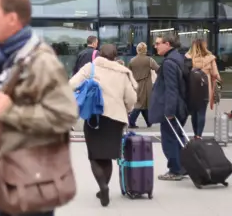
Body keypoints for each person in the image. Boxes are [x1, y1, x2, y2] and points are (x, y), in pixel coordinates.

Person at [0, 0, 78, 216]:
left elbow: (65, 115)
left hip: (29, 184)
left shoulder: (42, 62)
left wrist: (13, 112)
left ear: (11, 19)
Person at [70, 43, 137, 207]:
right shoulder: (122, 72)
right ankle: (104, 187)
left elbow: (71, 84)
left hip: (94, 117)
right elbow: (132, 99)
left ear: (99, 54)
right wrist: (126, 109)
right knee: (108, 155)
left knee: (95, 155)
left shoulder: (90, 68)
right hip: (115, 119)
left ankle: (103, 187)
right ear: (115, 56)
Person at [148, 34, 188, 181]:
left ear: (168, 44)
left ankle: (175, 170)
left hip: (173, 108)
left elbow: (172, 89)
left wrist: (170, 111)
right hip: (180, 106)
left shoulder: (169, 63)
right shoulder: (178, 58)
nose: (155, 46)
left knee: (169, 140)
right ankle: (183, 167)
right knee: (177, 139)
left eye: (158, 43)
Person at [184, 39, 220, 139]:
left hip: (192, 88)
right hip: (205, 88)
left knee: (194, 113)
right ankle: (199, 135)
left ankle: (195, 133)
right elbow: (216, 74)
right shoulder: (210, 58)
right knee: (201, 112)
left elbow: (185, 73)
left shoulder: (188, 57)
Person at [127, 42, 159, 129]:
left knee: (140, 102)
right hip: (146, 85)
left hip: (135, 84)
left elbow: (128, 72)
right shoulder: (149, 60)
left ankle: (148, 121)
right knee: (142, 103)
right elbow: (157, 69)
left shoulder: (132, 60)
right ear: (145, 50)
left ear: (137, 50)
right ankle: (132, 121)